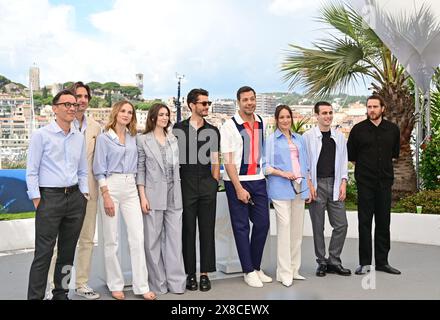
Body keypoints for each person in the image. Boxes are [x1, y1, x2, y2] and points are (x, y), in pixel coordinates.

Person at [26, 89, 88, 300]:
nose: (72, 108)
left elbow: (82, 170)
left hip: (75, 198)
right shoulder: (41, 135)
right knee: (43, 254)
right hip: (49, 199)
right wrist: (37, 199)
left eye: (74, 104)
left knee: (67, 253)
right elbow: (32, 171)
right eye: (67, 104)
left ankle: (61, 294)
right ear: (55, 108)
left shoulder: (78, 137)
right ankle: (35, 297)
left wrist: (84, 194)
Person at [93, 100, 156, 300]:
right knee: (112, 239)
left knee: (137, 237)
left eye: (130, 112)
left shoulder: (133, 138)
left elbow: (139, 166)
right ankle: (115, 284)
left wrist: (140, 192)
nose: (126, 114)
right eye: (123, 111)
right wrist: (106, 195)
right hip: (110, 185)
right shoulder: (104, 138)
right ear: (116, 112)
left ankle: (142, 286)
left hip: (130, 187)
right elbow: (98, 169)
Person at [46, 82, 102, 299]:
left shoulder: (96, 127)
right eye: (78, 96)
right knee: (62, 244)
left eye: (85, 96)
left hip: (90, 192)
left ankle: (81, 283)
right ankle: (56, 286)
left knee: (87, 240)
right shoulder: (59, 127)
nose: (82, 100)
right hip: (64, 193)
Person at [220, 86, 272, 288]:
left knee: (262, 224)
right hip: (237, 180)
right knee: (241, 227)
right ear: (238, 102)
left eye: (252, 99)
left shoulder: (261, 121)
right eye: (245, 100)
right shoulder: (229, 126)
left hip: (258, 179)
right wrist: (239, 188)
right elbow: (229, 161)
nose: (249, 102)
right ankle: (248, 271)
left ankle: (256, 267)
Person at [347, 95, 401, 275]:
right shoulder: (357, 130)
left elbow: (394, 154)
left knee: (384, 222)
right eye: (369, 106)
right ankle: (364, 263)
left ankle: (382, 262)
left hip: (385, 182)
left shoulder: (393, 130)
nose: (371, 110)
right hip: (365, 183)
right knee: (364, 222)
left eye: (375, 106)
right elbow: (352, 157)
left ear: (382, 108)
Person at [173, 88, 220, 292]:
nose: (206, 106)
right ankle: (190, 273)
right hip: (186, 184)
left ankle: (205, 274)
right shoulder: (178, 129)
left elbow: (217, 159)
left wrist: (214, 181)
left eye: (208, 103)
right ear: (191, 105)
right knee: (188, 230)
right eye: (203, 103)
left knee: (207, 230)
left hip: (207, 185)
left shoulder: (213, 130)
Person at [136, 103, 186, 295]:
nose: (165, 118)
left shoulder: (173, 139)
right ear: (153, 117)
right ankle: (158, 283)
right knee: (152, 242)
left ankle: (177, 283)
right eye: (161, 114)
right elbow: (140, 170)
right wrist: (142, 196)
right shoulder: (143, 140)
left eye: (167, 115)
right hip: (152, 195)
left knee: (175, 241)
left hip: (174, 195)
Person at [263, 105, 312, 287]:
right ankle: (283, 272)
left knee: (297, 230)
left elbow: (305, 165)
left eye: (288, 117)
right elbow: (265, 166)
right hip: (280, 188)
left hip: (299, 187)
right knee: (284, 229)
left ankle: (294, 269)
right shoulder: (271, 140)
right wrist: (284, 173)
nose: (285, 120)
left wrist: (307, 187)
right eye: (281, 117)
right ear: (276, 120)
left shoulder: (299, 139)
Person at [303, 101, 351, 278]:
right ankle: (321, 261)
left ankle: (334, 260)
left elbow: (343, 162)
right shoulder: (307, 136)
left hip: (335, 184)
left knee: (341, 225)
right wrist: (308, 184)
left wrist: (344, 182)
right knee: (318, 226)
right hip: (316, 185)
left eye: (330, 113)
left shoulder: (339, 137)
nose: (328, 116)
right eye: (324, 113)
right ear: (316, 115)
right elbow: (304, 163)